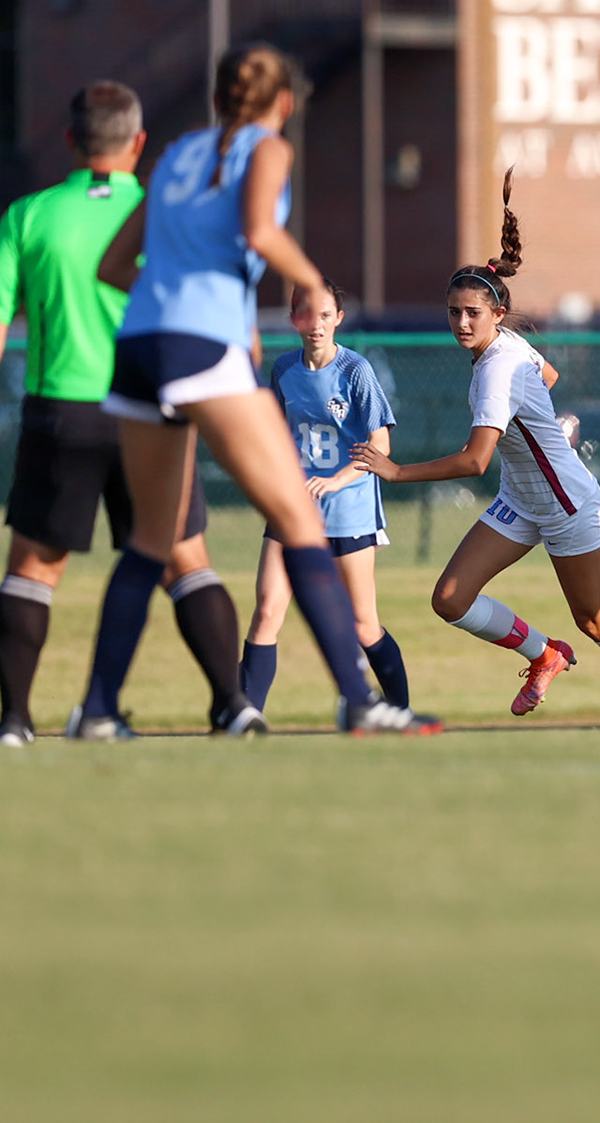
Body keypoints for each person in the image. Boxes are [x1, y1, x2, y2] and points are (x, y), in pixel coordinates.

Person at [79, 42, 437, 739]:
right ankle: (358, 702)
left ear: (215, 98)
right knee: (300, 522)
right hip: (198, 348)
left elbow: (114, 266)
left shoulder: (178, 153)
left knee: (149, 541)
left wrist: (178, 305)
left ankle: (96, 710)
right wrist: (303, 280)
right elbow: (258, 230)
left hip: (141, 346)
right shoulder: (268, 148)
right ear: (284, 104)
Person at [349, 170, 600, 731]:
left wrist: (395, 471)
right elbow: (550, 374)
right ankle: (543, 653)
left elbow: (474, 461)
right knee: (451, 599)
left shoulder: (496, 367)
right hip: (523, 496)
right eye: (454, 312)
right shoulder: (510, 347)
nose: (462, 323)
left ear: (496, 316)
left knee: (595, 618)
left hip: (566, 504)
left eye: (473, 314)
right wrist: (543, 423)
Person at [0, 82, 251, 748]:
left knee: (32, 568)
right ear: (138, 143)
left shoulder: (27, 216)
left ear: (70, 141)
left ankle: (15, 722)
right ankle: (233, 705)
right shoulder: (169, 211)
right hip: (152, 408)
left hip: (64, 410)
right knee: (184, 558)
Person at [242, 277, 409, 712]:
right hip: (293, 506)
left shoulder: (356, 371)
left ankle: (399, 712)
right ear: (293, 318)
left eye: (325, 315)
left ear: (339, 319)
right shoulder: (283, 369)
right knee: (267, 610)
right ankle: (244, 718)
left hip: (349, 506)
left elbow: (381, 446)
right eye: (306, 314)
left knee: (362, 624)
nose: (315, 324)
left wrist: (334, 481)